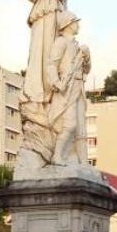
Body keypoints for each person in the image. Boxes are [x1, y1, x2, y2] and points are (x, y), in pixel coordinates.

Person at [47, 10, 91, 165]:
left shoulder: (77, 46)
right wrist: (56, 82)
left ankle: (83, 161)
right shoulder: (62, 42)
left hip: (78, 87)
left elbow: (86, 69)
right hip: (67, 87)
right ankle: (57, 155)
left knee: (81, 128)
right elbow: (52, 64)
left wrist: (87, 56)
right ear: (68, 25)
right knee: (70, 124)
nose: (78, 25)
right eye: (75, 22)